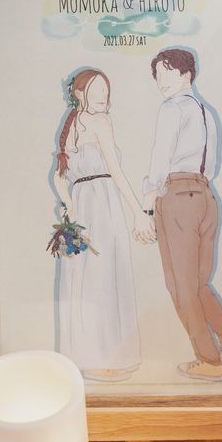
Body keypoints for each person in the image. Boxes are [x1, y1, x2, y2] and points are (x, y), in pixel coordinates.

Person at [142, 48, 222, 382]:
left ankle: (208, 360)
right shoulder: (207, 112)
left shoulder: (171, 108)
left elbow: (160, 159)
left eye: (167, 72)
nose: (161, 81)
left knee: (180, 286)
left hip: (178, 196)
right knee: (198, 283)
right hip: (206, 197)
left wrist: (147, 204)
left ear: (186, 74)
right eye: (157, 75)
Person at [52, 68, 155, 382]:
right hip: (102, 203)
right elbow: (115, 170)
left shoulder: (71, 125)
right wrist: (138, 212)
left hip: (84, 202)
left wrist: (69, 204)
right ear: (79, 92)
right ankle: (107, 358)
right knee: (105, 276)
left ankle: (89, 357)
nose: (103, 94)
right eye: (96, 88)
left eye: (105, 89)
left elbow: (60, 176)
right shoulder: (99, 122)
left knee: (85, 280)